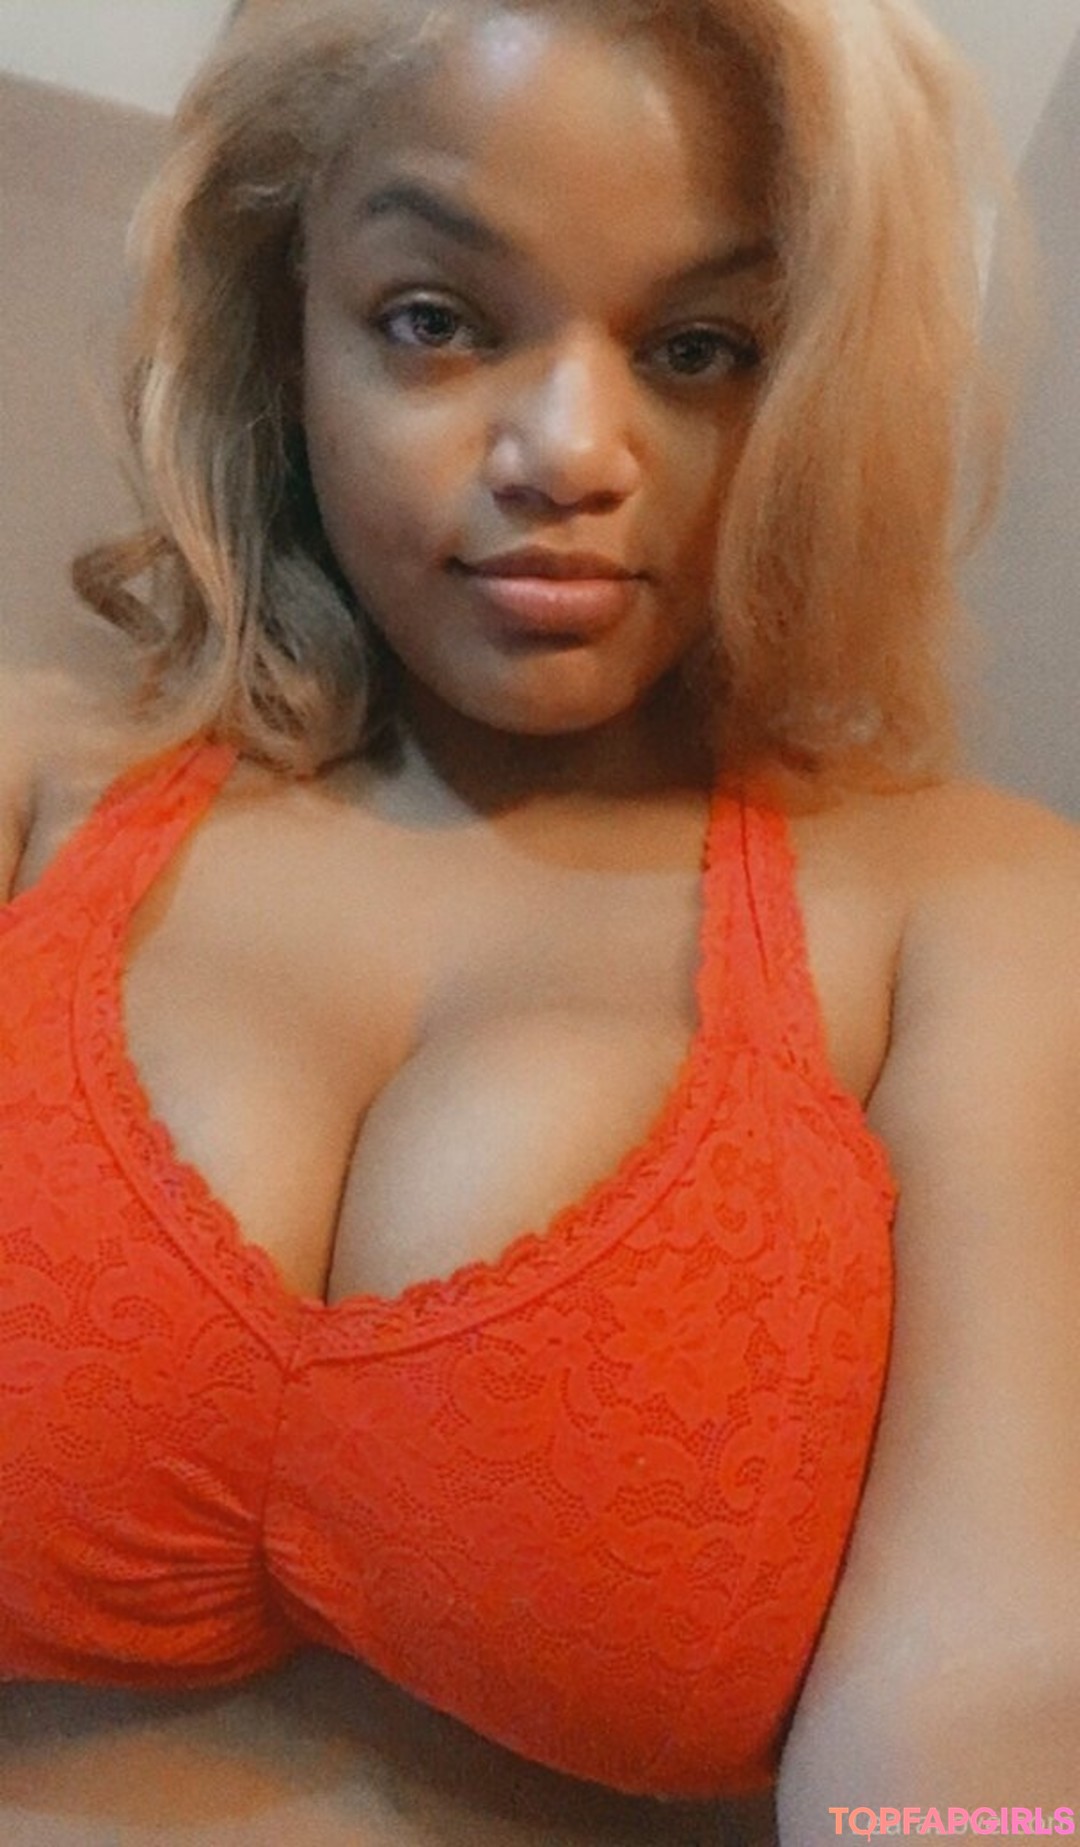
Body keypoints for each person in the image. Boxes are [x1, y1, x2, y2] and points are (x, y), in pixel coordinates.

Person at [1, 0, 1077, 1841]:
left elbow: (998, 1717)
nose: (572, 450)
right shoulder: (32, 787)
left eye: (700, 347)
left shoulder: (978, 914)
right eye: (437, 319)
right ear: (285, 314)